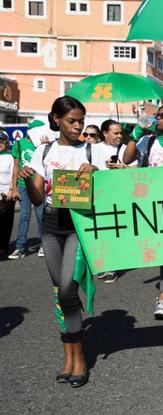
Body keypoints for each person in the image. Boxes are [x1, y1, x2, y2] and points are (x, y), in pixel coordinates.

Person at [18, 96, 104, 387]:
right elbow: (38, 198)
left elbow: (112, 187)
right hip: (51, 225)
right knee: (61, 294)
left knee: (68, 290)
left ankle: (80, 359)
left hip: (78, 227)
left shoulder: (92, 151)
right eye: (71, 121)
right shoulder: (43, 151)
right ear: (56, 119)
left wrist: (95, 174)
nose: (78, 126)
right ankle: (68, 356)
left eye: (81, 120)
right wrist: (29, 179)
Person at [123, 104, 163, 319]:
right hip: (158, 205)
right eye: (157, 115)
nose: (157, 119)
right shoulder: (149, 141)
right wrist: (136, 132)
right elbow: (127, 159)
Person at [92, 119, 133, 283]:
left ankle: (112, 266)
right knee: (100, 231)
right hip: (99, 195)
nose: (119, 136)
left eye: (120, 133)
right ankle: (101, 262)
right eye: (115, 133)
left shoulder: (126, 149)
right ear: (105, 133)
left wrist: (124, 167)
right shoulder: (93, 149)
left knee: (116, 231)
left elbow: (137, 171)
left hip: (120, 196)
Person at [7, 121, 46, 259]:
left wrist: (45, 146)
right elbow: (16, 167)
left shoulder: (44, 145)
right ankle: (20, 247)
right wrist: (14, 188)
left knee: (41, 216)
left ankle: (44, 245)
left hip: (39, 185)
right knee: (24, 216)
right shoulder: (19, 143)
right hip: (23, 185)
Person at [0, 131, 15, 259]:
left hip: (6, 194)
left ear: (7, 143)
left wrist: (11, 190)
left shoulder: (10, 157)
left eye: (2, 142)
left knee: (6, 222)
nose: (0, 144)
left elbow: (13, 175)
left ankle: (3, 247)